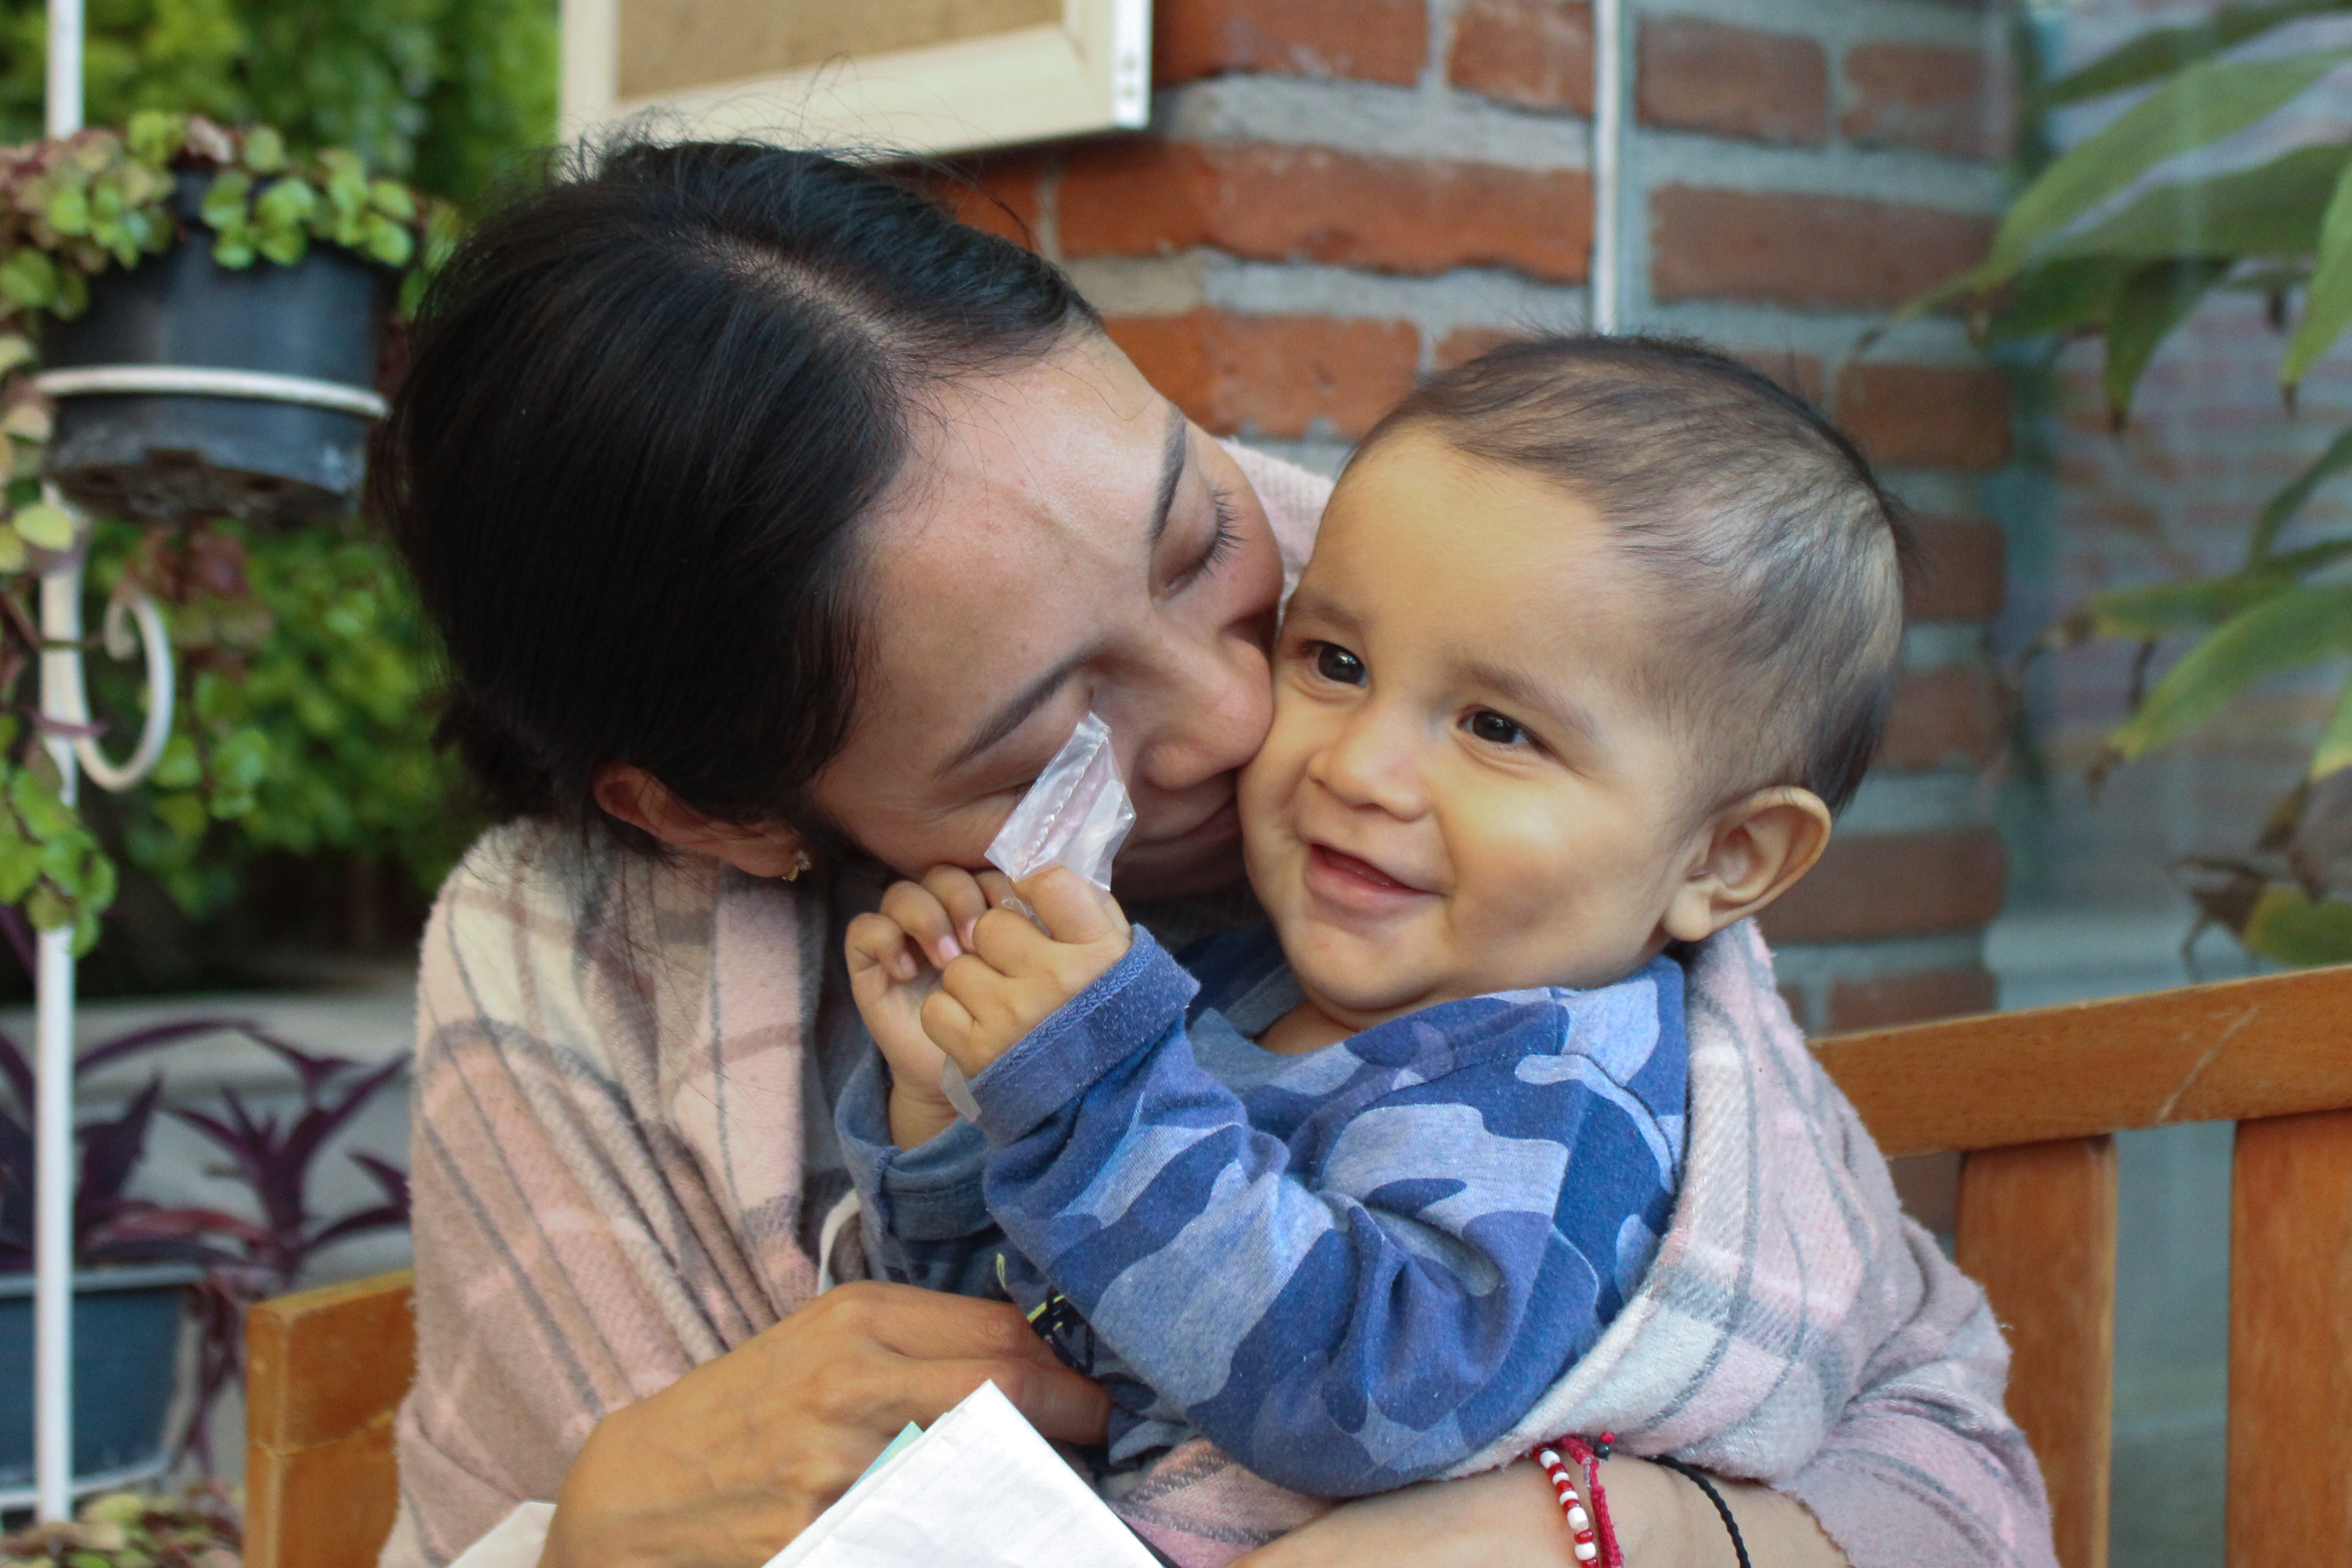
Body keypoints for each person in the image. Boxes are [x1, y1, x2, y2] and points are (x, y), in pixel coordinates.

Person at [374, 138, 2056, 1568]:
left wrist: (1621, 1526)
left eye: (1194, 544)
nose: (1251, 714)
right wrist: (590, 1526)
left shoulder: (1490, 641)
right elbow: (1046, 1331)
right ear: (709, 814)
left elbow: (1914, 1423)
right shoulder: (563, 976)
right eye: (1047, 718)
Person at [837, 337, 1911, 1560]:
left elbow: (1364, 1398)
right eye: (1336, 664)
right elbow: (1036, 1343)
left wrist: (1094, 1092)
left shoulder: (1563, 1103)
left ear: (1726, 857)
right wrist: (954, 1114)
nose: (1355, 766)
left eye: (1497, 728)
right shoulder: (1233, 992)